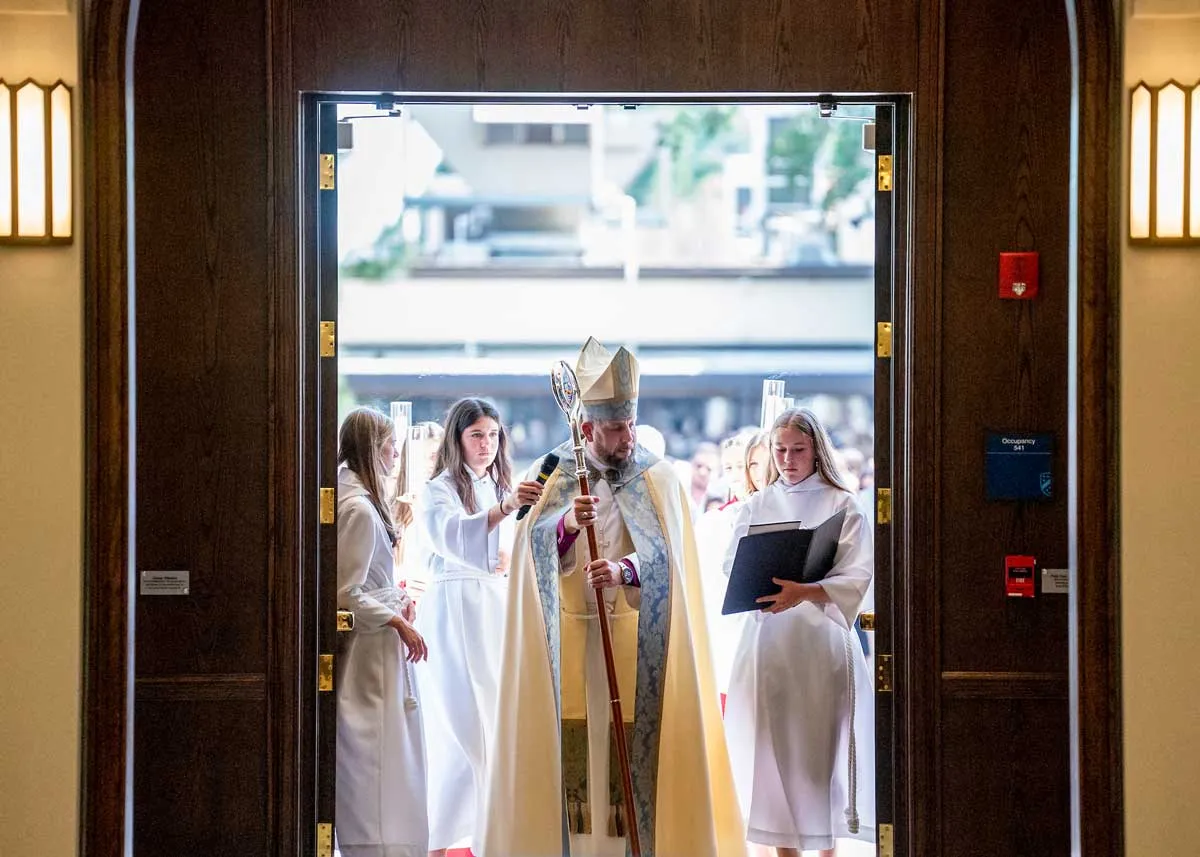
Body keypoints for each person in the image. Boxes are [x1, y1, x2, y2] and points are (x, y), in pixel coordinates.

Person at [478, 337, 745, 857]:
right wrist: (564, 530)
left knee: (629, 758)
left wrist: (624, 570)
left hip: (634, 641)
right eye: (616, 427)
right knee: (577, 755)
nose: (627, 437)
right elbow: (529, 557)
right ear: (586, 428)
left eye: (630, 424)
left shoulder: (659, 479)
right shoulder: (551, 474)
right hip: (569, 642)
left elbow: (674, 565)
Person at [722, 408, 876, 857]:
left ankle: (826, 848)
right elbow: (733, 565)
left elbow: (859, 574)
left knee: (818, 758)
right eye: (780, 450)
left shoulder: (841, 504)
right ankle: (783, 850)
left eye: (798, 450)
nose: (788, 459)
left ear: (817, 451)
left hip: (819, 644)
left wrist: (807, 591)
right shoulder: (758, 504)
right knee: (771, 755)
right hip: (770, 644)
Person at [415, 398, 545, 857]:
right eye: (476, 436)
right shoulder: (439, 488)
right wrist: (503, 510)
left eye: (492, 435)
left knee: (495, 726)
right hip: (456, 608)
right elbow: (450, 536)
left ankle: (495, 837)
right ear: (457, 439)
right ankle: (437, 844)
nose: (486, 445)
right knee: (460, 728)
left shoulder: (498, 484)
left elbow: (512, 548)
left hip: (493, 608)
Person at [335, 406, 430, 857]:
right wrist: (397, 620)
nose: (396, 455)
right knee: (376, 757)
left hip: (380, 649)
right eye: (391, 446)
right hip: (369, 656)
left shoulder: (365, 502)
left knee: (391, 756)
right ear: (372, 449)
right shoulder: (357, 508)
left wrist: (395, 596)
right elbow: (347, 592)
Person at [392, 420, 445, 603]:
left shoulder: (447, 506)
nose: (429, 464)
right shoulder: (394, 506)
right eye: (419, 457)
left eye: (435, 456)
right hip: (402, 606)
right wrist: (402, 584)